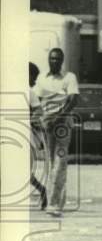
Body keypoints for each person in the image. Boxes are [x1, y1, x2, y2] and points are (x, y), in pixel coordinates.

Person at [34, 48, 79, 217]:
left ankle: (55, 204)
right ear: (48, 60)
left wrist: (58, 118)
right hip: (47, 124)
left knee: (60, 161)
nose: (54, 61)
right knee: (50, 162)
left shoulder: (69, 77)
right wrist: (40, 120)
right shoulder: (41, 79)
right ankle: (52, 200)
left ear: (62, 60)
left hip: (62, 125)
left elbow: (74, 100)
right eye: (52, 59)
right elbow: (37, 100)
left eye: (57, 59)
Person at [28, 63, 48, 211]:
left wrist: (28, 119)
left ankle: (42, 190)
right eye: (33, 77)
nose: (34, 81)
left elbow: (38, 111)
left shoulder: (30, 92)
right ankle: (42, 190)